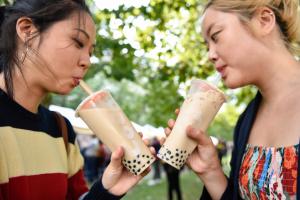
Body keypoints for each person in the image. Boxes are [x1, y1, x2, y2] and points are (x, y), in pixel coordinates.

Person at [0, 0, 153, 199]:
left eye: (90, 52)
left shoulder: (60, 129)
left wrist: (107, 190)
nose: (87, 62)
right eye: (78, 42)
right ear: (27, 30)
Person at [165, 0, 300, 199]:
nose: (210, 55)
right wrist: (211, 172)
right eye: (206, 45)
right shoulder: (245, 121)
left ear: (264, 20)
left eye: (216, 36)